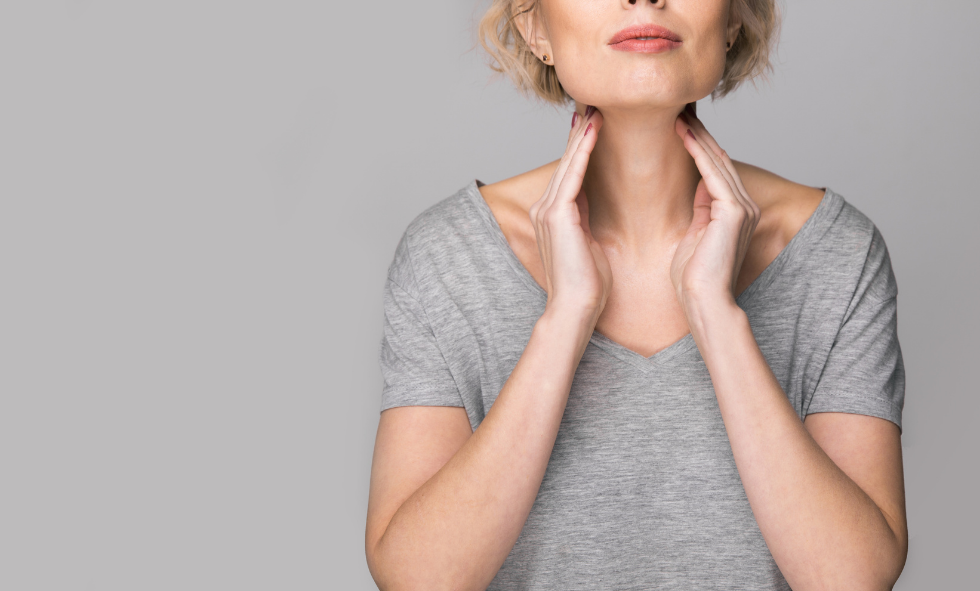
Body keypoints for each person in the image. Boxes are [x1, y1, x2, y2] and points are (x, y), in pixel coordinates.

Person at [365, 0, 908, 589]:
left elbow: (854, 580)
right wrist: (566, 316)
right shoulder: (447, 256)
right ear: (533, 26)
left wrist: (716, 315)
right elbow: (416, 580)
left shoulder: (837, 253)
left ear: (732, 19)